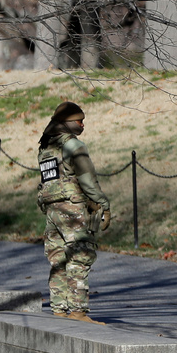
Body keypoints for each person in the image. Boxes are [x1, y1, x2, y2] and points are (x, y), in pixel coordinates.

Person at [37, 101, 111, 324]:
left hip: (52, 210)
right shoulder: (73, 146)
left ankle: (59, 310)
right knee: (80, 256)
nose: (83, 125)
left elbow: (47, 181)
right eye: (80, 121)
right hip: (72, 208)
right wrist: (102, 204)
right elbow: (87, 179)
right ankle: (78, 312)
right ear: (68, 123)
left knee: (58, 259)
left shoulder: (46, 148)